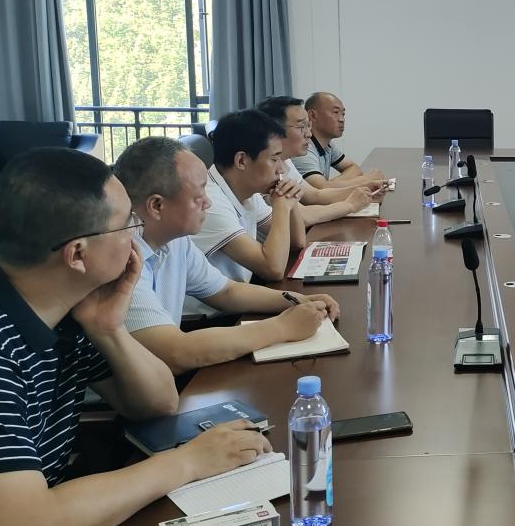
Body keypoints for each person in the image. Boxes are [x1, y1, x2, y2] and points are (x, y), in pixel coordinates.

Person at [0, 148, 269, 526]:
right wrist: (188, 462)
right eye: (128, 224)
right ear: (77, 255)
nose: (136, 237)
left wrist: (109, 329)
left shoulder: (62, 302)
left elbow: (158, 403)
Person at [114, 137, 342, 374]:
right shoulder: (122, 259)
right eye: (198, 195)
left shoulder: (175, 239)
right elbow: (175, 352)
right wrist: (282, 327)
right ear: (156, 206)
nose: (208, 202)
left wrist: (297, 299)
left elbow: (226, 292)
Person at [194, 109, 328, 287]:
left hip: (242, 292)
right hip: (223, 302)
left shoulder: (246, 189)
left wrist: (291, 200)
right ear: (241, 161)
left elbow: (297, 241)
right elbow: (273, 269)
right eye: (274, 159)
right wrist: (282, 207)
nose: (281, 169)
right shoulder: (209, 203)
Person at [256, 96, 382, 208]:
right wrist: (350, 205)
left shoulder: (286, 161)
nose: (309, 134)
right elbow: (304, 214)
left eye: (308, 126)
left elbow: (315, 195)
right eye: (301, 127)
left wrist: (364, 189)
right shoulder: (264, 169)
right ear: (275, 130)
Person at [295, 91, 387, 189]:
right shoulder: (303, 149)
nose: (342, 119)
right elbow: (321, 190)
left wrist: (330, 184)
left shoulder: (328, 144)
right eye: (335, 112)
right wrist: (366, 179)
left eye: (343, 114)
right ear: (313, 115)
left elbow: (354, 168)